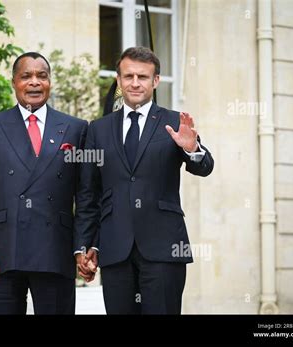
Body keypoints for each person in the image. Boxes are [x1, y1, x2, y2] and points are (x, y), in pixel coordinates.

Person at [74, 47, 214, 314]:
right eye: (128, 76)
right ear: (118, 79)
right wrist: (86, 245)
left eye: (143, 77)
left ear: (156, 81)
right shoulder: (98, 129)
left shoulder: (174, 122)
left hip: (165, 249)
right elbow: (88, 194)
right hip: (115, 251)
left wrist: (191, 148)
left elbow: (206, 167)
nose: (135, 83)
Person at [0, 52, 88, 314]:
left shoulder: (76, 128)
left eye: (42, 76)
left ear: (50, 82)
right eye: (26, 76)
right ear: (14, 82)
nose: (34, 82)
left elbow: (86, 196)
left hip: (56, 250)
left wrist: (82, 247)